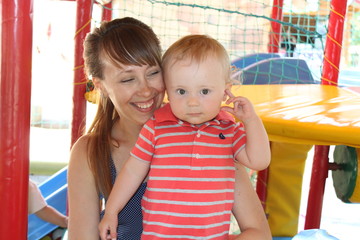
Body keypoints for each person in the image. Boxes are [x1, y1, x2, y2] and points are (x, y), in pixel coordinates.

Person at [99, 35, 271, 240]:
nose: (192, 102)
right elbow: (132, 172)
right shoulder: (156, 127)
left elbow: (260, 161)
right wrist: (111, 211)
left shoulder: (229, 131)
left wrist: (251, 121)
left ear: (226, 90)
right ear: (168, 92)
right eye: (181, 91)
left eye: (204, 91)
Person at [67, 17, 165, 240]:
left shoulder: (204, 134)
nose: (146, 90)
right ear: (101, 86)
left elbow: (257, 231)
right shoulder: (90, 151)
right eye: (128, 79)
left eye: (152, 73)